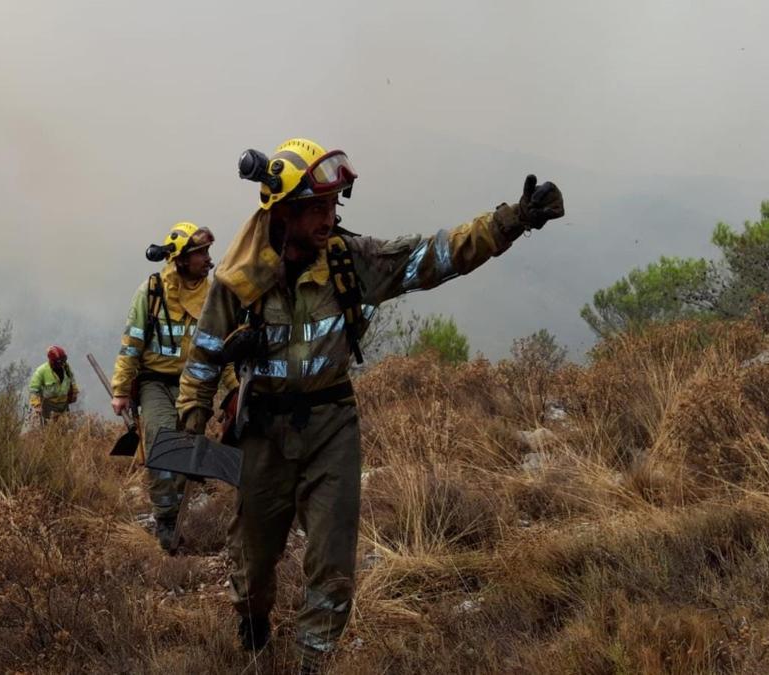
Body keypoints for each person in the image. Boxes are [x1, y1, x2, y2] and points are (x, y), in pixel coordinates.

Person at [175, 138, 564, 672]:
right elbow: (203, 358)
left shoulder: (349, 262)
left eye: (334, 205)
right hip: (262, 431)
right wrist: (191, 423)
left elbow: (434, 256)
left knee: (333, 563)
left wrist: (511, 221)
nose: (328, 218)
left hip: (331, 426)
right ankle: (253, 630)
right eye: (316, 207)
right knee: (253, 562)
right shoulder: (236, 283)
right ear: (283, 212)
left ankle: (314, 661)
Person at [110, 222, 237, 552]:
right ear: (179, 259)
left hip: (195, 383)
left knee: (188, 447)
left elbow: (222, 348)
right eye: (200, 254)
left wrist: (235, 392)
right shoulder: (151, 292)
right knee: (164, 443)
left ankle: (179, 511)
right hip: (155, 383)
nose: (208, 260)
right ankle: (166, 520)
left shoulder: (213, 297)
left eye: (208, 252)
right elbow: (132, 344)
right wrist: (121, 389)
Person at [29, 345, 78, 422]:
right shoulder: (41, 371)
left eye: (63, 361)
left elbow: (72, 380)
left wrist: (74, 393)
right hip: (48, 406)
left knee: (65, 429)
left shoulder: (66, 368)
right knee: (49, 430)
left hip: (64, 404)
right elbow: (33, 390)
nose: (62, 364)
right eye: (60, 362)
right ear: (52, 361)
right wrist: (37, 405)